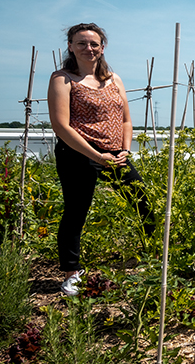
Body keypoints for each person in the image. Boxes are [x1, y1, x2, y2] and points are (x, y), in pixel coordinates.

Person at [47, 23, 155, 296]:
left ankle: (154, 257)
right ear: (70, 46)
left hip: (116, 153)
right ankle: (72, 273)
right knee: (76, 211)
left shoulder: (113, 79)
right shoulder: (63, 79)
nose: (88, 48)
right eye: (81, 43)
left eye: (94, 43)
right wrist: (96, 155)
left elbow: (126, 120)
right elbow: (61, 126)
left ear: (102, 47)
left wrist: (125, 151)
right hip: (78, 154)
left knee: (142, 201)